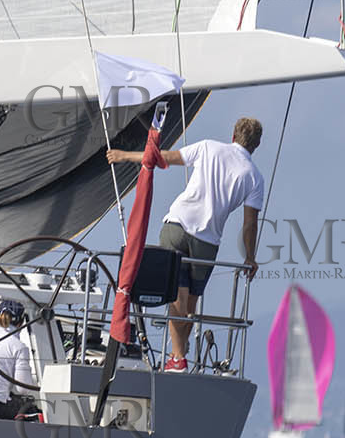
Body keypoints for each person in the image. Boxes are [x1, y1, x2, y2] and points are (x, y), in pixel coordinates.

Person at [107, 117, 265, 371]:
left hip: (177, 226)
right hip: (208, 242)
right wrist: (250, 257)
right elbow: (250, 224)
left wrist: (124, 155)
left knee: (176, 297)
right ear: (256, 145)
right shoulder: (255, 177)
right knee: (189, 304)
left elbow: (163, 158)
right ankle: (177, 357)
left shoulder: (208, 147)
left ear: (233, 135)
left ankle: (177, 357)